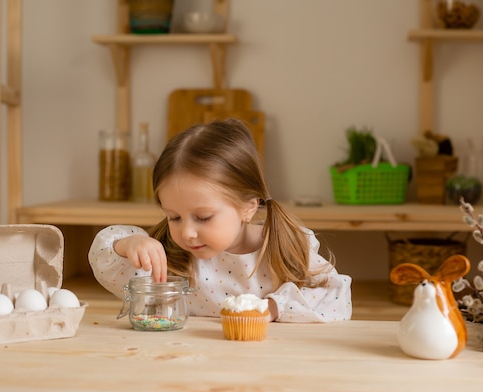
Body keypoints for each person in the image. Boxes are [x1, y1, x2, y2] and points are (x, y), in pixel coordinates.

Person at [88, 119, 352, 323]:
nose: (187, 232)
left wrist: (271, 308)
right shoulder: (169, 258)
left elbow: (337, 298)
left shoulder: (285, 245)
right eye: (174, 217)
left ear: (248, 208)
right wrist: (129, 243)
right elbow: (104, 260)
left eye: (203, 217)